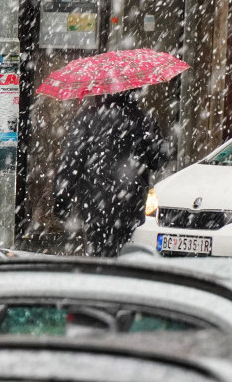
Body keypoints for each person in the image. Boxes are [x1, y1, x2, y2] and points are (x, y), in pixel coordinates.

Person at [54, 89, 168, 257]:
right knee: (122, 251)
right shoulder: (142, 119)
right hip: (129, 201)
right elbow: (156, 161)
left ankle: (104, 275)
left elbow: (71, 161)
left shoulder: (86, 119)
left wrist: (62, 200)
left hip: (94, 202)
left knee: (99, 253)